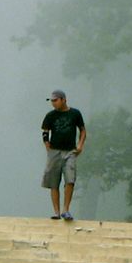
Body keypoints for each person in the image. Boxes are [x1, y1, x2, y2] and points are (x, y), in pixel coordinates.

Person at [40, 89, 86, 221]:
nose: (53, 103)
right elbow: (45, 131)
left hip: (70, 151)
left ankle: (66, 209)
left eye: (55, 100)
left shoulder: (75, 113)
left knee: (70, 179)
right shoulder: (50, 115)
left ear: (63, 99)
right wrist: (47, 144)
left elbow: (82, 130)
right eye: (52, 101)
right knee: (54, 182)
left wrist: (80, 145)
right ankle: (56, 211)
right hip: (55, 151)